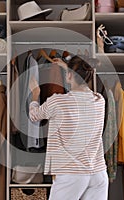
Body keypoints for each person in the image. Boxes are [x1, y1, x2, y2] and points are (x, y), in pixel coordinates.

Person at [29, 56, 108, 200]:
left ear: (70, 76)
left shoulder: (58, 101)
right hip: (98, 174)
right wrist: (68, 68)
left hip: (72, 174)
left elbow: (34, 116)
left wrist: (35, 94)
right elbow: (81, 86)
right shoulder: (99, 100)